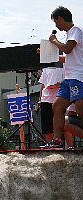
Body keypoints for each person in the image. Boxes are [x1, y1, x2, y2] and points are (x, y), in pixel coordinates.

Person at [45, 6, 83, 148]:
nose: (55, 25)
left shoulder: (76, 30)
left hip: (78, 77)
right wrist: (45, 54)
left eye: (55, 22)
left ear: (60, 19)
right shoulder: (70, 35)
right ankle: (56, 140)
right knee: (57, 106)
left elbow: (67, 49)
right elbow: (68, 57)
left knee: (80, 109)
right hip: (69, 78)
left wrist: (54, 41)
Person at [38, 67, 64, 142]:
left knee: (64, 127)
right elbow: (43, 85)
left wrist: (59, 84)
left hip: (60, 99)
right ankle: (50, 146)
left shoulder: (63, 66)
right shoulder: (46, 68)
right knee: (47, 128)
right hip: (45, 100)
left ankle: (69, 147)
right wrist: (40, 99)